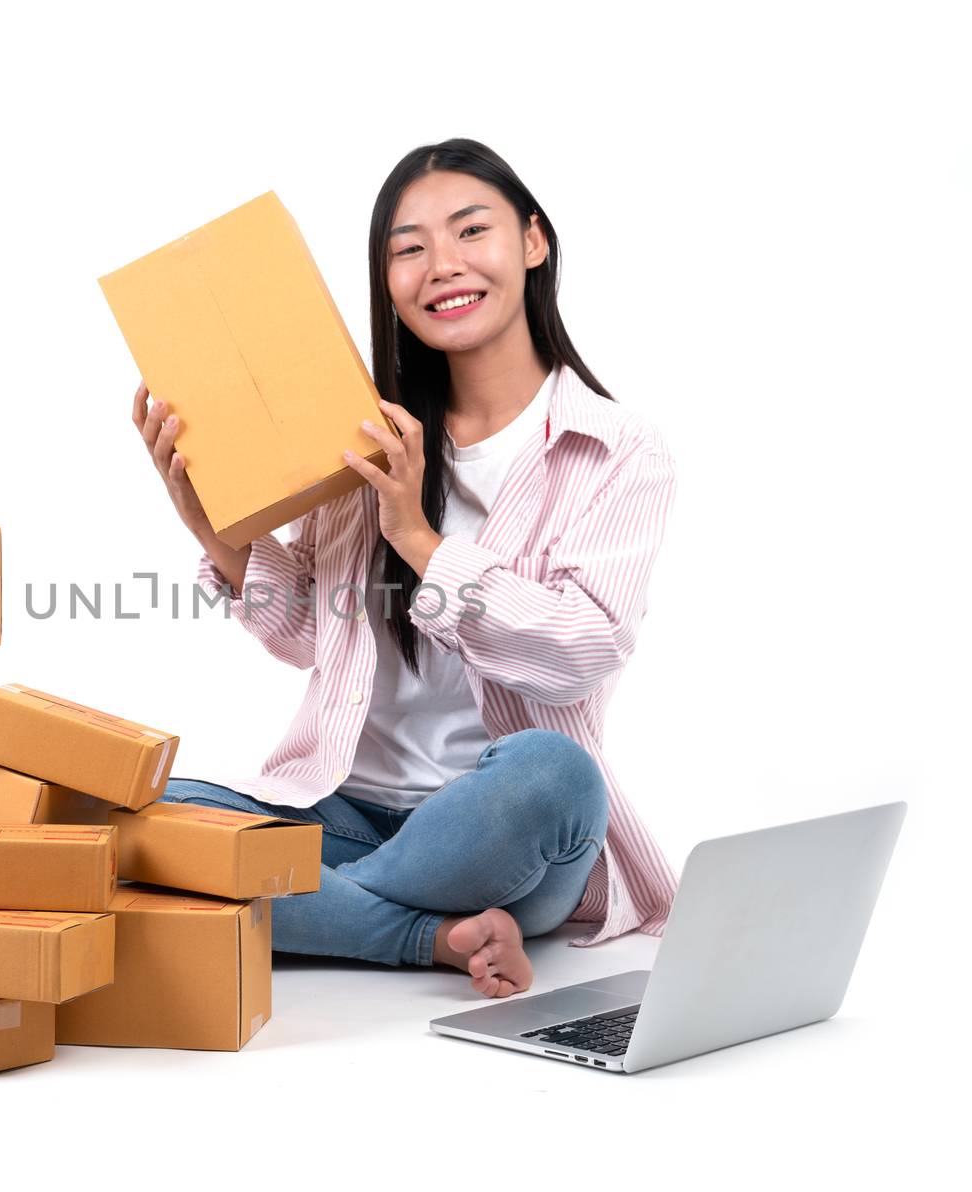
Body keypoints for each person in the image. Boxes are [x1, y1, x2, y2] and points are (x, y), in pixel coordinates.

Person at [129, 137, 679, 999]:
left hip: (502, 832)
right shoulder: (363, 435)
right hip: (340, 808)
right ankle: (429, 935)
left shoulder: (614, 450)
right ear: (386, 280)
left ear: (533, 242)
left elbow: (585, 649)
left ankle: (292, 905)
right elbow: (316, 639)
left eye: (471, 232)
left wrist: (419, 540)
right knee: (134, 825)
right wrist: (221, 534)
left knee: (555, 771)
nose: (443, 267)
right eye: (409, 248)